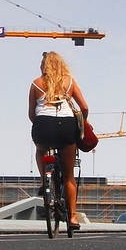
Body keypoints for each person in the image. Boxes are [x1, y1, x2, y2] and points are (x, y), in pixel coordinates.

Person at [29, 51, 89, 229]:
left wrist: (42, 126)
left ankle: (43, 182)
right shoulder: (69, 81)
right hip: (66, 126)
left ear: (44, 65)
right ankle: (72, 218)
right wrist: (82, 122)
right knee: (69, 175)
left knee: (40, 151)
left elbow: (31, 115)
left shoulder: (36, 84)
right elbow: (84, 107)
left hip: (43, 125)